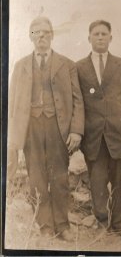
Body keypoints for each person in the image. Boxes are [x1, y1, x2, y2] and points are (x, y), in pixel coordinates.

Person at [7, 16, 84, 241]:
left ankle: (62, 225)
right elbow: (11, 103)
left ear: (52, 35)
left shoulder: (66, 64)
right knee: (36, 177)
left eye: (46, 32)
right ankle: (45, 226)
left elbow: (78, 100)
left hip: (58, 127)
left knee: (59, 177)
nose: (42, 36)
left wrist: (76, 130)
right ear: (31, 36)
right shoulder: (20, 66)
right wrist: (13, 136)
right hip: (30, 128)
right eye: (37, 32)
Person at [76, 20, 121, 237]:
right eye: (95, 34)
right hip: (93, 137)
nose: (100, 37)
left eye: (104, 34)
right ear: (89, 38)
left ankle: (118, 225)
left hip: (119, 134)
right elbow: (77, 103)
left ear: (110, 38)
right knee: (96, 181)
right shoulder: (78, 67)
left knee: (119, 180)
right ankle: (101, 220)